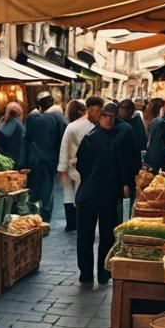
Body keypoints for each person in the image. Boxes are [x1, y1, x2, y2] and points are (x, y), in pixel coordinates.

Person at [75, 102, 138, 286]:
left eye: (112, 117)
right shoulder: (91, 137)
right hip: (91, 194)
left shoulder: (118, 136)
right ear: (100, 117)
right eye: (105, 116)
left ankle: (103, 272)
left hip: (107, 194)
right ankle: (86, 273)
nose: (109, 120)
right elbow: (82, 165)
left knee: (106, 237)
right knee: (86, 237)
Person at [57, 96, 100, 231]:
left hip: (72, 166)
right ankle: (83, 222)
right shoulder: (97, 126)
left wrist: (62, 168)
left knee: (69, 194)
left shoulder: (72, 127)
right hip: (90, 167)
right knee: (84, 196)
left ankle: (71, 224)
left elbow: (64, 148)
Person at [23, 91, 65, 223]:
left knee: (34, 190)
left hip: (34, 160)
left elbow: (26, 139)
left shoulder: (31, 118)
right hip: (49, 160)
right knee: (46, 191)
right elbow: (60, 140)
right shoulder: (58, 118)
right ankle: (44, 219)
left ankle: (33, 217)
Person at [0, 101, 25, 167]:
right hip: (8, 160)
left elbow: (4, 136)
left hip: (11, 161)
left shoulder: (14, 123)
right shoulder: (5, 121)